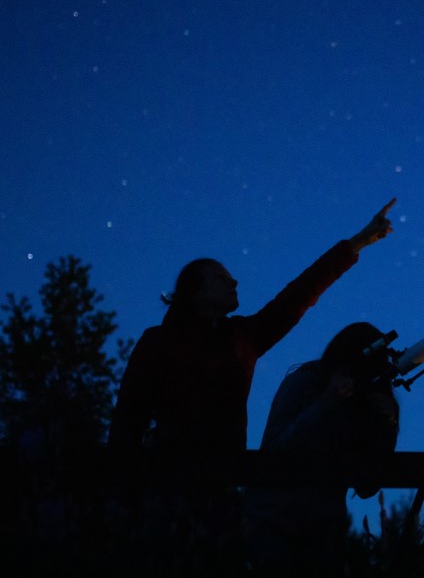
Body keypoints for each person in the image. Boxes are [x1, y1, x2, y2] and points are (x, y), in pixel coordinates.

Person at [105, 200, 395, 574]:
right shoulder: (158, 342)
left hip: (223, 492)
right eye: (222, 278)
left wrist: (356, 243)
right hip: (167, 490)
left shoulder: (241, 338)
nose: (234, 281)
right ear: (195, 292)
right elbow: (128, 417)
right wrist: (118, 494)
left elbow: (295, 297)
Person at [247, 321, 401, 575]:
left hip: (324, 529)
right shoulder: (303, 383)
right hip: (271, 521)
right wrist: (328, 401)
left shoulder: (370, 400)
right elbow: (276, 450)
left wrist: (385, 425)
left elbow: (367, 486)